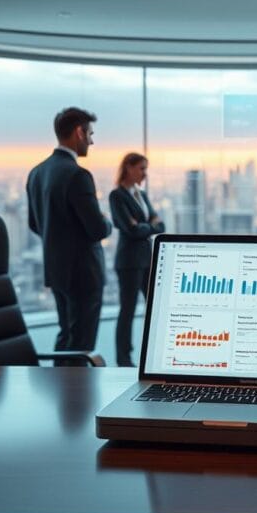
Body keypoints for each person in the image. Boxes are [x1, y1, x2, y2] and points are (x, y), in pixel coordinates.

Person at [27, 107, 113, 366]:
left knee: (66, 337)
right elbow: (97, 229)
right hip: (84, 273)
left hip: (57, 271)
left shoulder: (37, 172)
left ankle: (61, 395)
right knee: (82, 345)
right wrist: (108, 222)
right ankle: (75, 402)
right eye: (90, 134)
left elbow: (35, 223)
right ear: (78, 132)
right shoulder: (77, 175)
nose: (92, 141)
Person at [108, 153, 165, 367]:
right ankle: (124, 359)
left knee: (155, 307)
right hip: (129, 262)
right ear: (129, 168)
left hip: (147, 259)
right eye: (141, 168)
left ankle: (156, 356)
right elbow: (130, 229)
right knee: (128, 310)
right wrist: (148, 226)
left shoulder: (141, 195)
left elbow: (160, 225)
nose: (145, 174)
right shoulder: (117, 196)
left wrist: (143, 226)